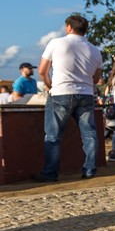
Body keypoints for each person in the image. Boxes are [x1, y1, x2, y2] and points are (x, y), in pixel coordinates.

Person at [32, 16, 103, 182]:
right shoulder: (94, 50)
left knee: (53, 135)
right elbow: (95, 78)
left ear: (69, 27)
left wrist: (50, 85)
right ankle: (90, 169)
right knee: (89, 134)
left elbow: (42, 70)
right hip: (86, 94)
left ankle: (51, 173)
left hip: (61, 92)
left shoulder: (56, 43)